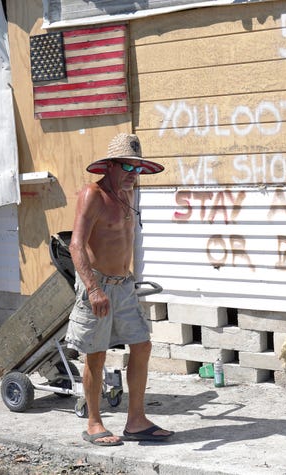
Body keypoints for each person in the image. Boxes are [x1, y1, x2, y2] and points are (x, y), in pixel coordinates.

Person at [66, 133, 173, 446]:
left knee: (142, 346)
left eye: (138, 168)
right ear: (110, 166)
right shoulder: (93, 194)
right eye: (127, 166)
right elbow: (76, 245)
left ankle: (136, 421)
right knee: (95, 355)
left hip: (123, 285)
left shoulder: (129, 193)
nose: (132, 174)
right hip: (97, 286)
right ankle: (94, 422)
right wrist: (92, 288)